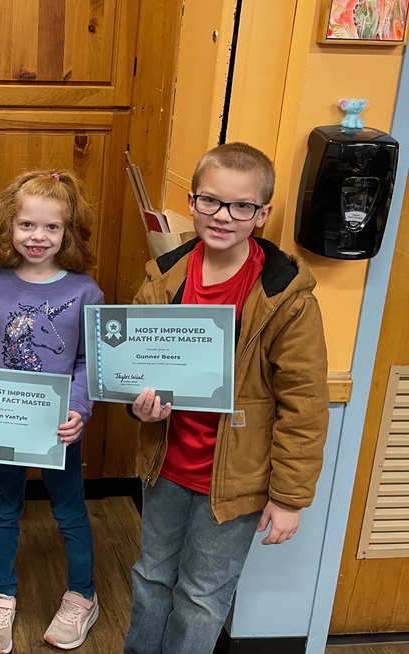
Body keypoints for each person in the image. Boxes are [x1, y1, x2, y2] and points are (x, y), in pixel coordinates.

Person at [123, 143, 329, 654]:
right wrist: (137, 405)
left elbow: (304, 405)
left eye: (241, 206)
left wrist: (288, 497)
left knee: (202, 597)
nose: (222, 216)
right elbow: (135, 370)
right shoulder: (162, 279)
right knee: (150, 578)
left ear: (262, 214)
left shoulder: (286, 298)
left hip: (238, 480)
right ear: (191, 203)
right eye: (211, 201)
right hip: (167, 466)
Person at [0, 170, 104, 653]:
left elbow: (86, 363)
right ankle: (1, 593)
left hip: (58, 429)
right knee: (4, 508)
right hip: (2, 425)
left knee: (69, 512)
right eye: (27, 224)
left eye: (52, 227)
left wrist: (78, 411)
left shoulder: (85, 291)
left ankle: (82, 594)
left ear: (67, 232)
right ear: (8, 226)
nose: (38, 236)